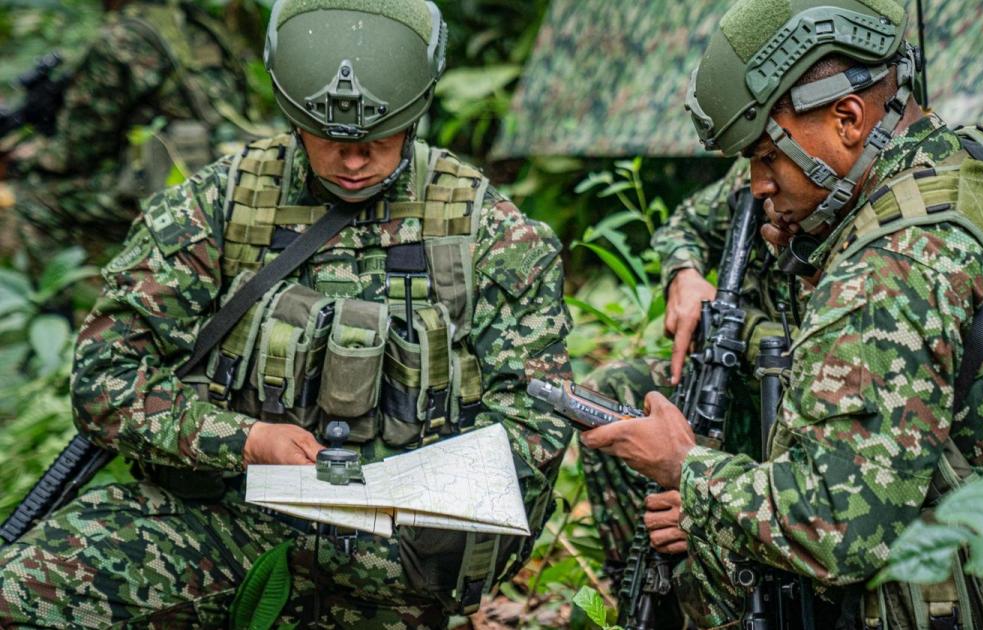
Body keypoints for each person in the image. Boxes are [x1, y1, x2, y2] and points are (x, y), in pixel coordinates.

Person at [0, 0, 572, 627]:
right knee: (24, 592)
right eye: (329, 140)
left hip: (394, 562)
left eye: (378, 140)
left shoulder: (487, 231)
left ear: (414, 114)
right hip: (222, 526)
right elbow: (106, 382)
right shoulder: (221, 205)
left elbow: (538, 413)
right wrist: (244, 441)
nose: (353, 162)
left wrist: (419, 494)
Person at [583, 0, 983, 627]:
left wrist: (687, 470)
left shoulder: (886, 267)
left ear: (848, 118)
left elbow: (835, 527)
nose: (758, 186)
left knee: (703, 541)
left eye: (767, 158)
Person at [580, 159, 804, 624]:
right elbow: (685, 222)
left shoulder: (855, 197)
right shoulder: (761, 179)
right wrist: (684, 273)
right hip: (746, 381)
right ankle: (641, 589)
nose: (761, 175)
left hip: (808, 408)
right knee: (613, 398)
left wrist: (710, 498)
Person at [1, 0, 253, 246]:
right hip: (233, 170)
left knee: (26, 200)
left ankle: (79, 284)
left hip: (181, 190)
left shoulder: (121, 37)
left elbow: (76, 152)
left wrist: (21, 159)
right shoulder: (193, 21)